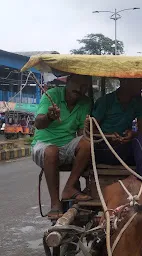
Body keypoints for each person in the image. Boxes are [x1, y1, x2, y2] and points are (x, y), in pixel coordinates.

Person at [32, 74, 92, 219]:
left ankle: (69, 188)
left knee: (87, 142)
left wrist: (88, 130)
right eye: (77, 84)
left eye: (84, 87)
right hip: (44, 145)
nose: (80, 89)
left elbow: (80, 133)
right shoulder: (52, 95)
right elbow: (38, 124)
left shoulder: (85, 102)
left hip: (67, 145)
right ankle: (55, 204)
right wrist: (49, 117)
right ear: (68, 82)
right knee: (51, 151)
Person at [91, 78, 142, 182]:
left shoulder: (139, 101)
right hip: (105, 149)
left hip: (124, 151)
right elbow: (90, 131)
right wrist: (110, 136)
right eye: (138, 82)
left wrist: (132, 134)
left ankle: (135, 178)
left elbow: (141, 133)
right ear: (125, 83)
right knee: (137, 142)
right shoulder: (105, 101)